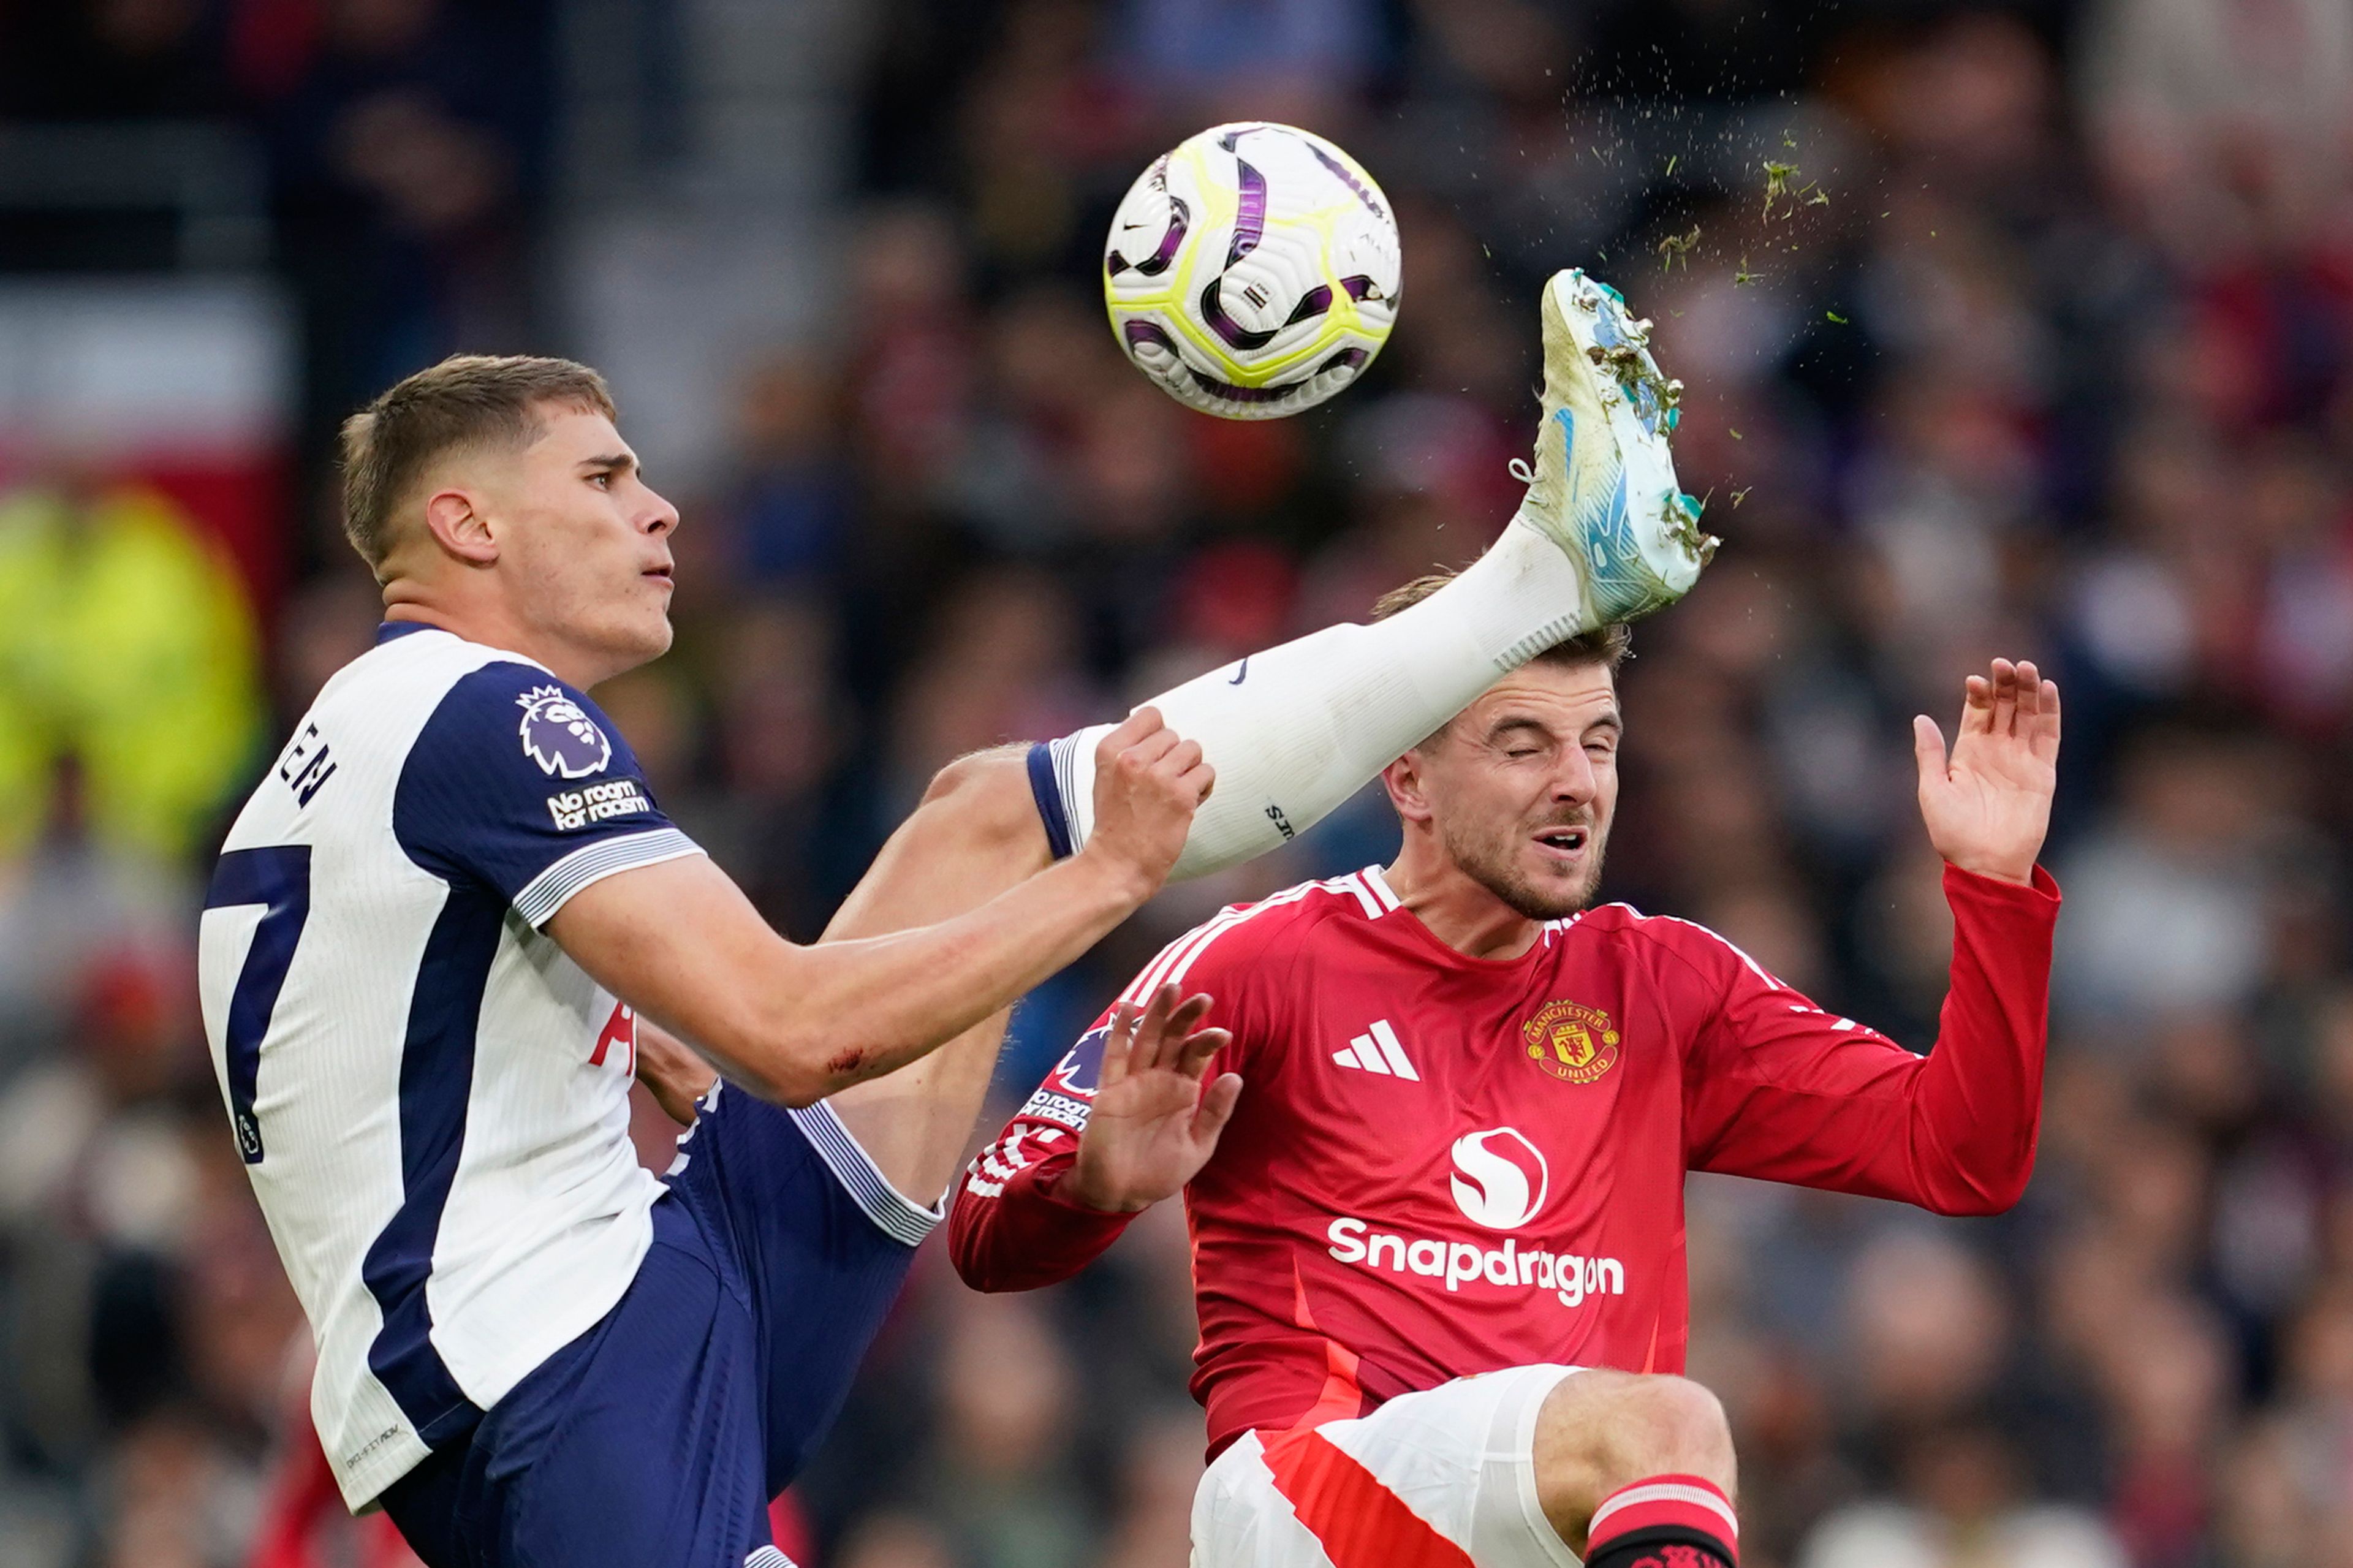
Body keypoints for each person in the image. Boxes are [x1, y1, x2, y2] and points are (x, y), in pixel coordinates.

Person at [197, 267, 1714, 1565]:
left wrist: (607, 1042)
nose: (657, 508)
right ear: (464, 524)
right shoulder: (482, 710)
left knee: (987, 811)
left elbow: (388, 1051)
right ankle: (1543, 571)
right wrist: (1108, 879)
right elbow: (801, 1032)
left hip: (626, 1291)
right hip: (566, 1375)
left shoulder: (349, 747)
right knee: (1031, 845)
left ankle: (1540, 571)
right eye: (600, 478)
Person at [948, 582, 2064, 1568]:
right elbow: (983, 1233)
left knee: (1654, 1447)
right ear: (1410, 778)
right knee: (1669, 1432)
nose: (1578, 784)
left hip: (1543, 1531)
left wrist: (1996, 887)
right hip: (1305, 1500)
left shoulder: (1664, 985)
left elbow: (1959, 1155)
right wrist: (1096, 1188)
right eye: (1525, 745)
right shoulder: (1257, 963)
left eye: (1601, 744)